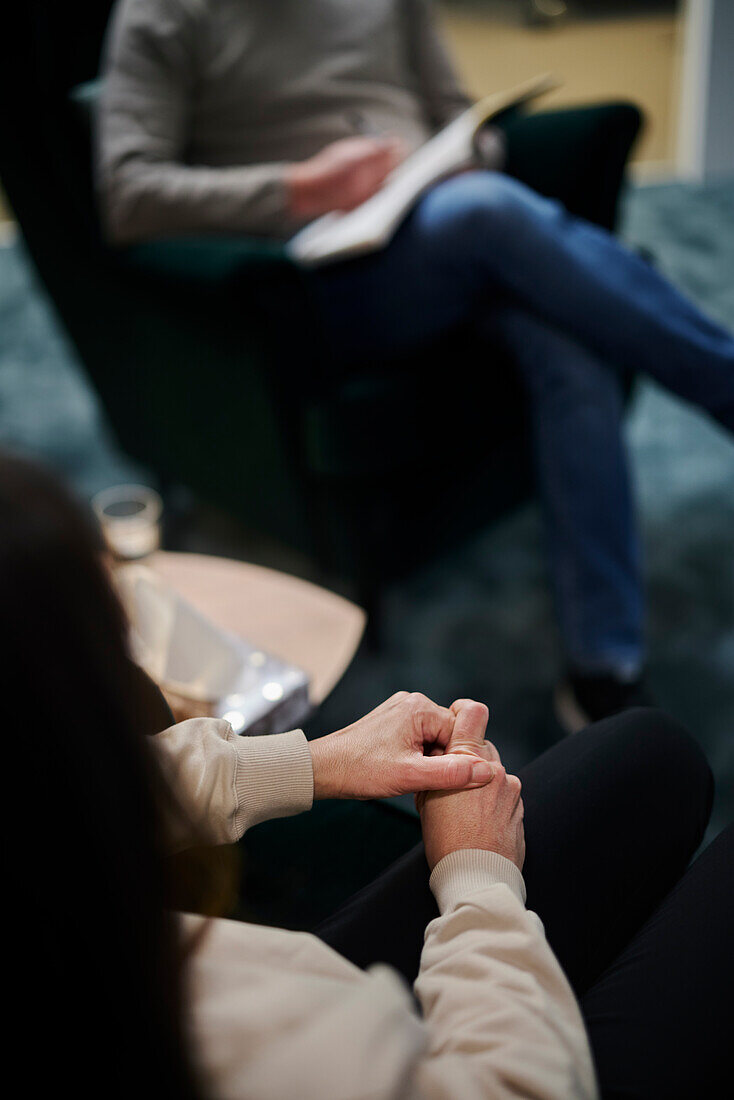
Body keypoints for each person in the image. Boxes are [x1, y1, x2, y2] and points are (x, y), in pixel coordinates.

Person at [5, 449, 732, 1099]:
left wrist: (316, 761)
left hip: (279, 980)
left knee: (650, 756)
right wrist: (479, 881)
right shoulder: (227, 1037)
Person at [97, 0, 734, 731]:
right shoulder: (163, 15)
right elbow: (128, 196)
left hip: (444, 226)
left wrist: (459, 160)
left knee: (566, 341)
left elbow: (459, 114)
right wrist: (300, 190)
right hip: (316, 282)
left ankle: (603, 665)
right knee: (486, 214)